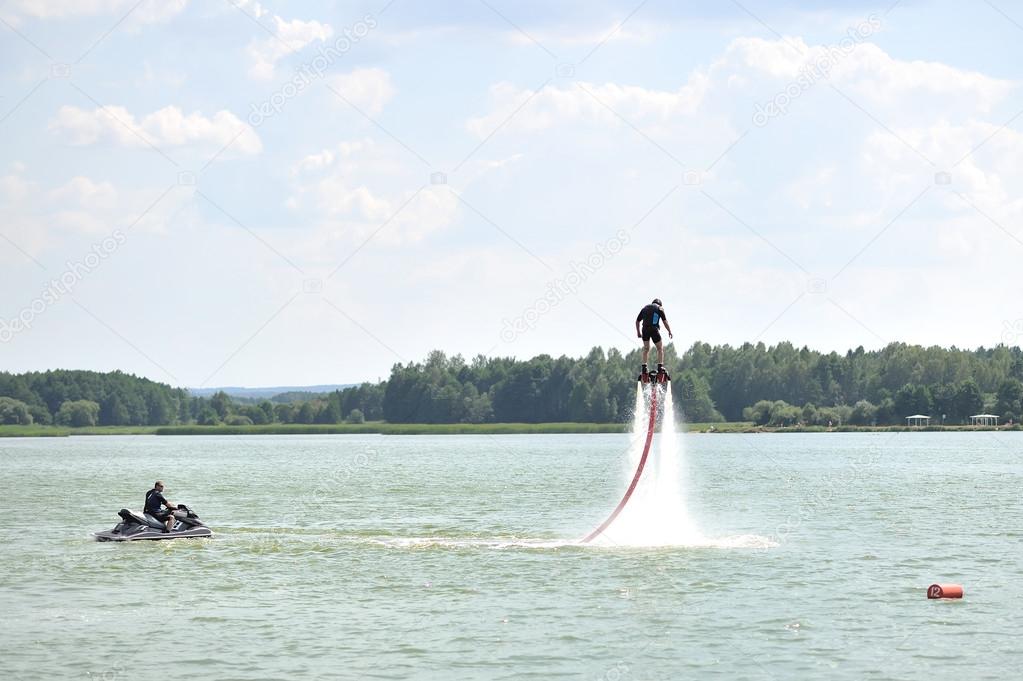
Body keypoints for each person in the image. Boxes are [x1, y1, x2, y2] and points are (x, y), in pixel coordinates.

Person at [635, 298, 673, 374]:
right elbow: (665, 321)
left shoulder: (644, 308)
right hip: (654, 329)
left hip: (644, 329)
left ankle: (644, 367)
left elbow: (637, 321)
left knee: (646, 349)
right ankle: (660, 367)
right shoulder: (660, 308)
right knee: (660, 348)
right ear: (660, 304)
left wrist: (638, 332)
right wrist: (669, 331)